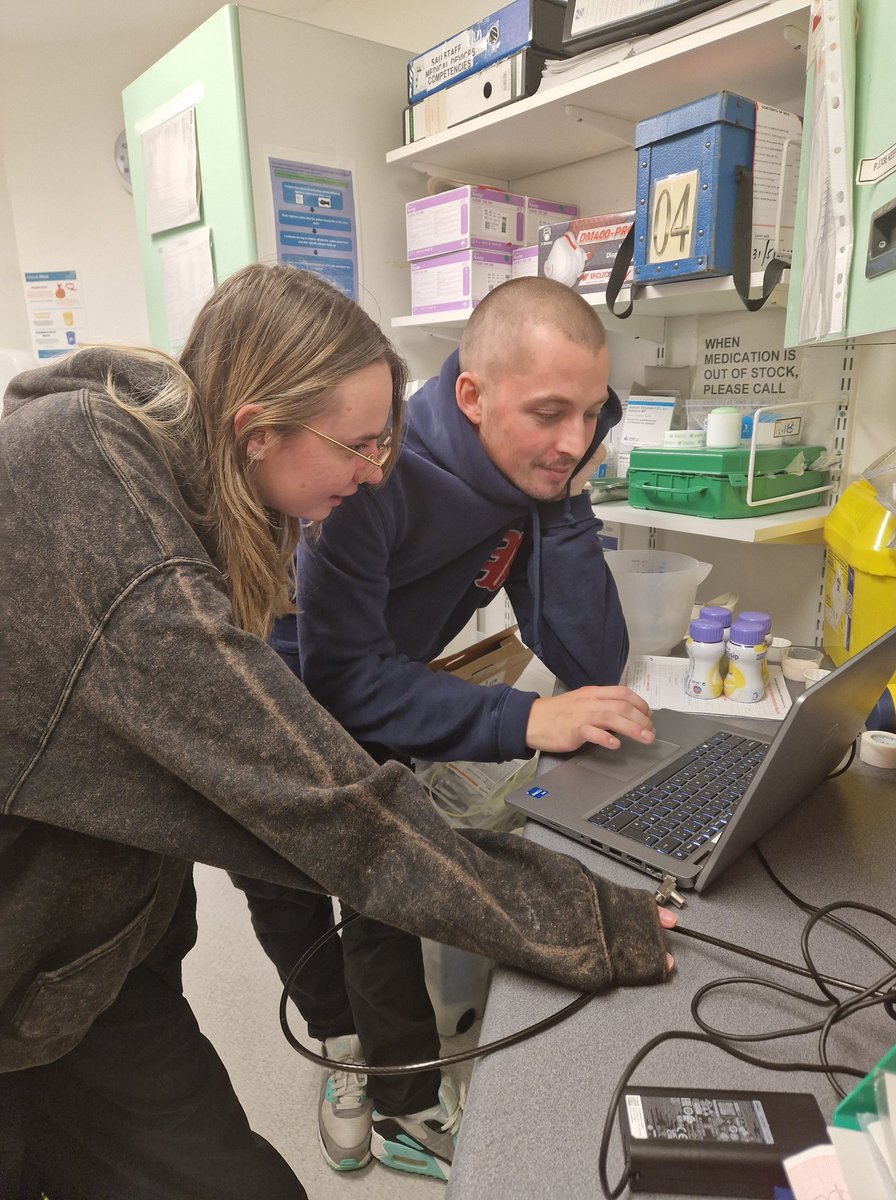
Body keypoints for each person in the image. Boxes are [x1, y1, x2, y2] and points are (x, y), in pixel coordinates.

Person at [0, 264, 675, 1200]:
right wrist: (582, 917)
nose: (374, 469)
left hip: (84, 953)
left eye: (385, 438)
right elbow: (326, 801)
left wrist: (557, 500)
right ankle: (352, 1048)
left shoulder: (221, 485)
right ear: (257, 431)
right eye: (357, 445)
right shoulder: (102, 509)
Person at [236, 276, 659, 1182]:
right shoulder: (370, 480)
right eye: (549, 412)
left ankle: (406, 1099)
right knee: (284, 881)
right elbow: (339, 683)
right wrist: (524, 716)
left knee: (383, 884)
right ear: (472, 395)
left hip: (372, 675)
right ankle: (344, 1045)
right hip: (273, 683)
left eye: (590, 414)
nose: (574, 438)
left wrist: (564, 496)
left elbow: (591, 659)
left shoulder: (529, 468)